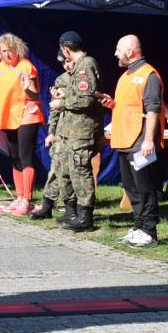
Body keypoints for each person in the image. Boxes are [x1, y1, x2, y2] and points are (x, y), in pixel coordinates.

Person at [98, 34, 164, 248]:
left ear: (129, 51)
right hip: (125, 140)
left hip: (140, 141)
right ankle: (138, 227)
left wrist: (148, 140)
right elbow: (129, 106)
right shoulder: (126, 75)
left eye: (118, 49)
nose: (115, 53)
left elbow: (153, 110)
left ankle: (150, 232)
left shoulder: (149, 75)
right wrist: (111, 104)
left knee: (145, 187)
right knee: (130, 186)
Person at [50, 31, 105, 233]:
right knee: (65, 171)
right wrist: (65, 94)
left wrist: (62, 102)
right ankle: (71, 212)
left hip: (81, 131)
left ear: (65, 49)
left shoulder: (85, 65)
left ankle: (85, 217)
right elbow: (81, 93)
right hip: (70, 131)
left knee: (81, 173)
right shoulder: (78, 68)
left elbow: (85, 99)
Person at [0, 32, 44, 217]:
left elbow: (35, 94)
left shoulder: (26, 66)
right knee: (14, 157)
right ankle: (20, 197)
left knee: (25, 157)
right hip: (8, 116)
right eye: (3, 51)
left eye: (10, 50)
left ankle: (27, 200)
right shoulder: (1, 66)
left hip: (27, 114)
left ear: (18, 49)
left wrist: (28, 87)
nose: (7, 54)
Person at [32, 49, 75, 221]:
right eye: (63, 63)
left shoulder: (84, 77)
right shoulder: (61, 79)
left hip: (78, 131)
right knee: (56, 168)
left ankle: (72, 208)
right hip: (61, 132)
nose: (66, 65)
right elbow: (54, 110)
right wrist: (51, 132)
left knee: (72, 171)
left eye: (68, 61)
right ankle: (47, 204)